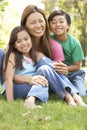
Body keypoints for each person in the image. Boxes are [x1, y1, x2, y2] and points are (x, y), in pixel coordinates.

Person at [10, 5, 87, 107]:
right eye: (33, 22)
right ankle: (72, 96)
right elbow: (7, 76)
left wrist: (64, 69)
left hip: (45, 81)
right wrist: (29, 79)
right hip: (23, 84)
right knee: (44, 66)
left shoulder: (54, 45)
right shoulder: (18, 43)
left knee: (45, 67)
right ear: (25, 25)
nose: (38, 25)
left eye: (41, 21)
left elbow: (56, 73)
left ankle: (72, 96)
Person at [3, 26, 49, 109]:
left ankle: (31, 100)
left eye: (26, 39)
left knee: (42, 79)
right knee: (42, 82)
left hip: (31, 85)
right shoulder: (13, 56)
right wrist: (11, 102)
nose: (24, 43)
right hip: (16, 88)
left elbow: (51, 67)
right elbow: (8, 79)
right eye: (19, 41)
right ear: (15, 46)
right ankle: (32, 99)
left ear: (31, 39)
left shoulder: (36, 55)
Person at [48, 9, 87, 96]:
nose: (57, 25)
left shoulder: (74, 43)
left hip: (74, 74)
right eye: (53, 22)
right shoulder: (48, 40)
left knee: (81, 94)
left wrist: (66, 69)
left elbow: (77, 66)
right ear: (50, 27)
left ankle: (79, 87)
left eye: (61, 22)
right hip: (57, 73)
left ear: (68, 26)